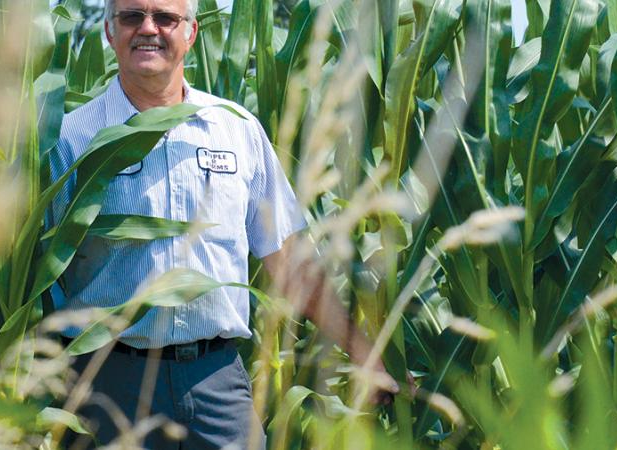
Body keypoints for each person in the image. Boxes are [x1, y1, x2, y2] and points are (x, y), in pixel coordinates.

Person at [48, 0, 398, 447]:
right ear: (109, 32)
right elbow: (22, 271)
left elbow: (289, 261)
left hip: (215, 383)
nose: (148, 29)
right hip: (108, 381)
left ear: (191, 33)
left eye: (166, 18)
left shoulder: (236, 129)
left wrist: (365, 355)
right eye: (132, 16)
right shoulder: (71, 140)